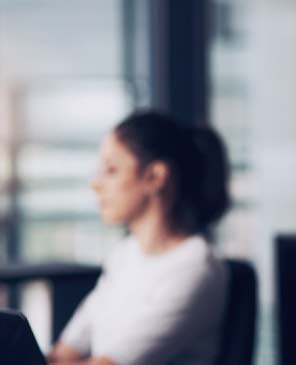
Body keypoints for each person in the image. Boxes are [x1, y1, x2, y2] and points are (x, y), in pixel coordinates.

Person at [47, 111, 231, 365]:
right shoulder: (125, 254)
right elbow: (64, 351)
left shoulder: (196, 268)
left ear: (155, 177)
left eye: (111, 170)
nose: (96, 184)